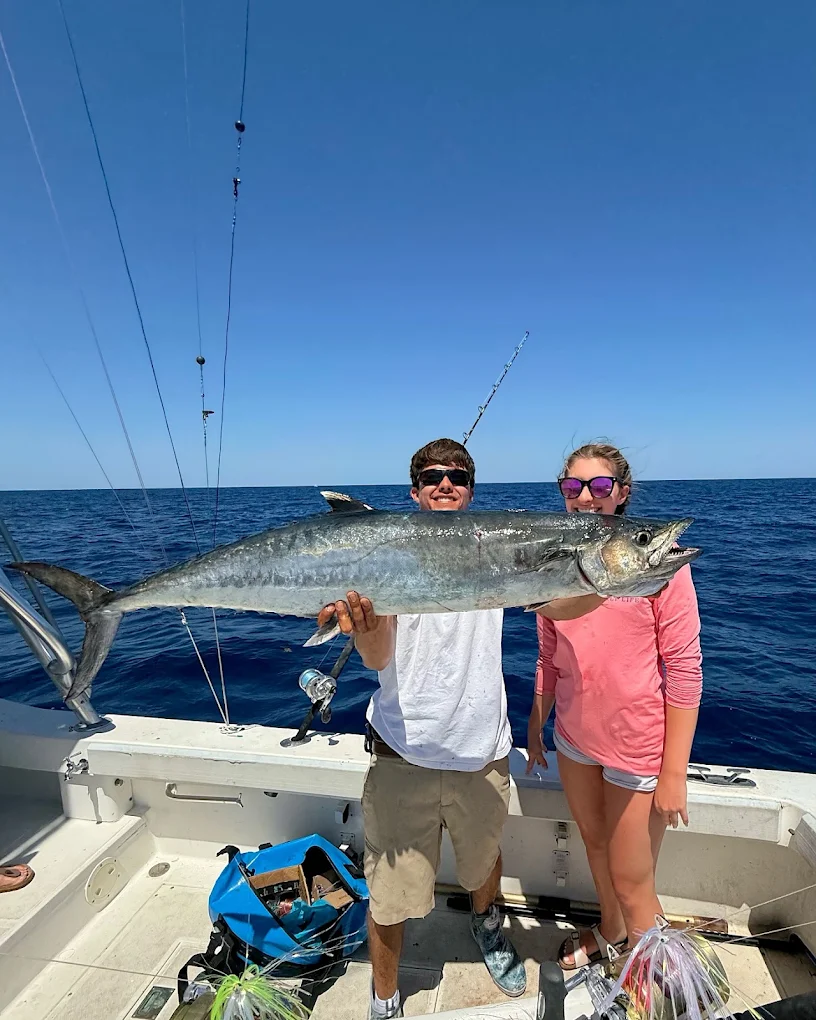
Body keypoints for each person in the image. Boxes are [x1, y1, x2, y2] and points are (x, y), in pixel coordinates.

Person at [317, 437, 603, 1020]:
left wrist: (603, 573)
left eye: (458, 476)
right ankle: (385, 996)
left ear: (471, 491)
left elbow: (564, 604)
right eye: (432, 476)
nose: (445, 483)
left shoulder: (493, 549)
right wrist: (362, 624)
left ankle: (487, 925)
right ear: (414, 492)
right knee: (391, 898)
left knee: (483, 865)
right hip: (403, 756)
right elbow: (376, 658)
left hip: (482, 755)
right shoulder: (388, 551)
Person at [526, 442, 702, 970]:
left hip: (636, 748)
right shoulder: (550, 566)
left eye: (600, 486)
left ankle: (651, 976)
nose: (587, 497)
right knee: (596, 848)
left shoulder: (660, 569)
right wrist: (536, 725)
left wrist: (673, 772)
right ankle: (610, 932)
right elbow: (548, 657)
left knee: (632, 878)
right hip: (576, 740)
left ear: (621, 495)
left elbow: (685, 670)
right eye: (574, 486)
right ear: (562, 493)